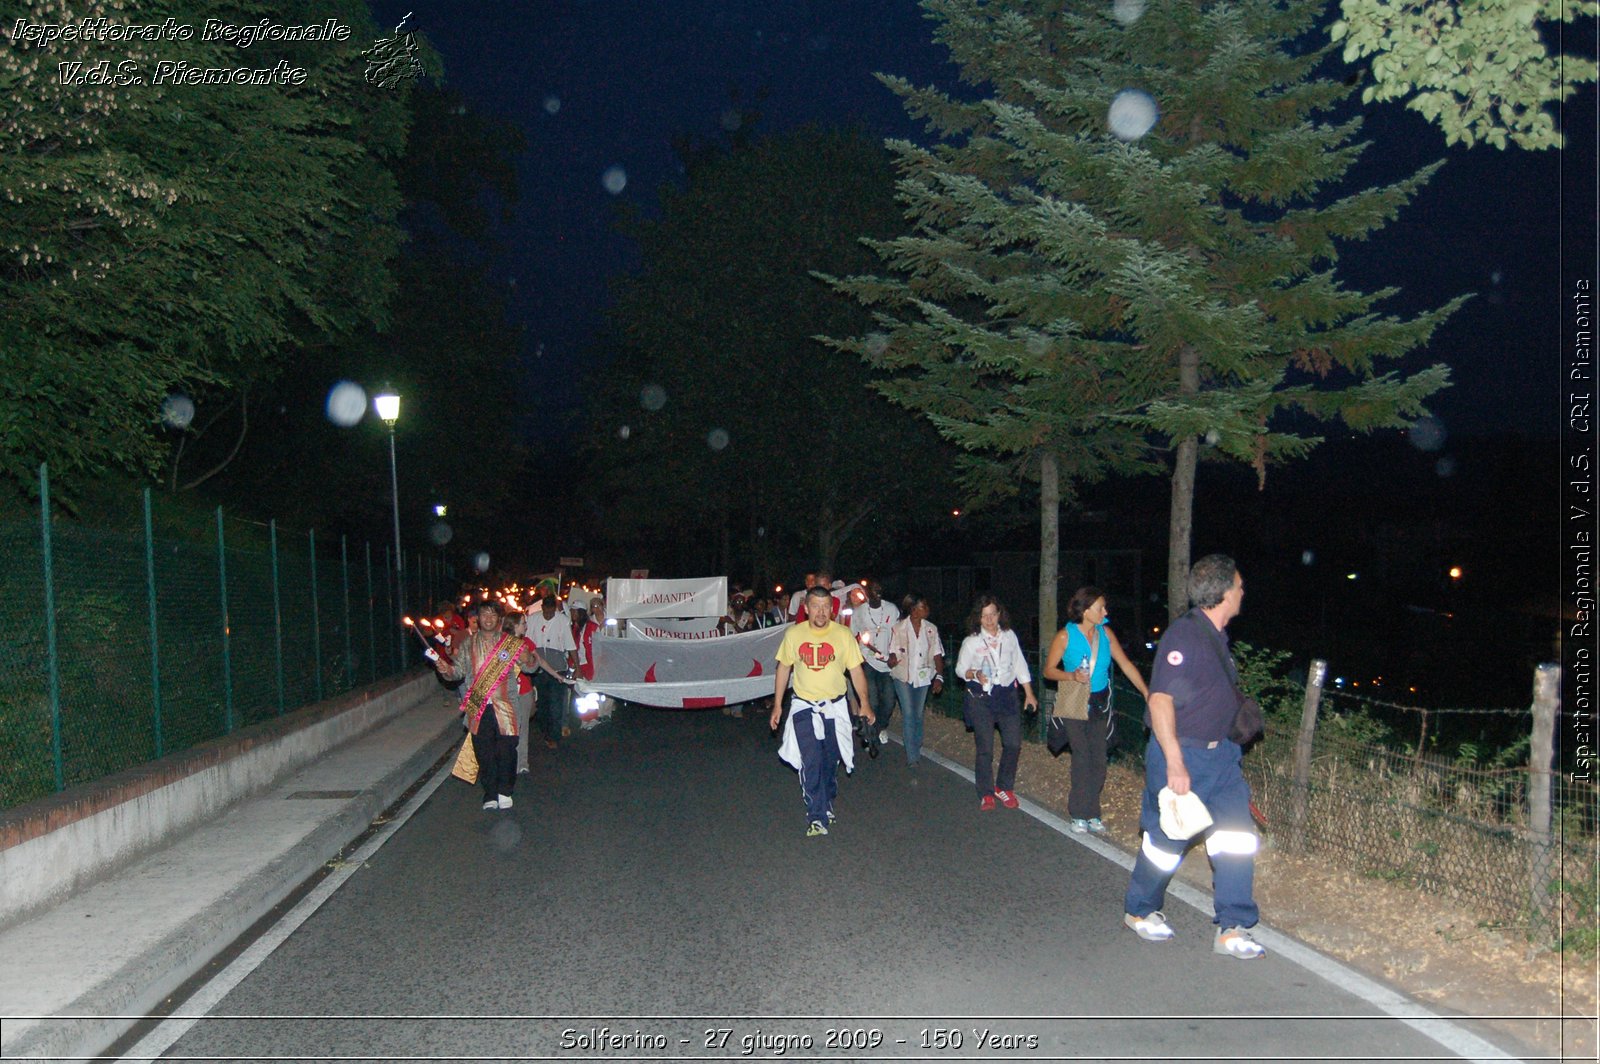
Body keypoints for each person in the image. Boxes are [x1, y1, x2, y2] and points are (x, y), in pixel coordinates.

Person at [1123, 554, 1265, 960]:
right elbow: (1161, 700)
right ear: (1222, 592)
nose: (1242, 591)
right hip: (1183, 755)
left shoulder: (1215, 637)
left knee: (1236, 838)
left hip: (1222, 758)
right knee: (1167, 841)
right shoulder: (1184, 637)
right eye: (1238, 584)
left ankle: (1232, 925)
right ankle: (1140, 910)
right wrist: (1174, 762)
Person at [1043, 587, 1150, 834]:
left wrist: (1146, 691)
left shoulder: (1106, 634)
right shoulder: (1065, 636)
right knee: (1081, 756)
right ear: (1086, 610)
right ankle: (1079, 813)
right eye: (1100, 607)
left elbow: (1125, 664)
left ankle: (1092, 813)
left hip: (1100, 700)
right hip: (1073, 698)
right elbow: (1048, 670)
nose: (1105, 611)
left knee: (1099, 760)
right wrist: (1071, 675)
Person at [770, 584, 874, 837]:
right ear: (806, 609)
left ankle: (826, 803)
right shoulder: (794, 635)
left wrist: (865, 703)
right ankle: (816, 815)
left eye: (825, 606)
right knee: (811, 760)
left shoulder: (843, 635)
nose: (821, 611)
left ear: (832, 608)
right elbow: (783, 668)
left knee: (830, 761)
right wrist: (777, 705)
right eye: (815, 606)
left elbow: (856, 671)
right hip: (804, 706)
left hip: (834, 707)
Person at [431, 601, 543, 810]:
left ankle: (505, 790)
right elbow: (457, 673)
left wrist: (530, 659)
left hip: (506, 705)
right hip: (478, 703)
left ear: (499, 619)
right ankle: (490, 793)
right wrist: (445, 669)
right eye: (484, 615)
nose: (488, 619)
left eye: (492, 615)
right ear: (477, 619)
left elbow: (530, 668)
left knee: (508, 750)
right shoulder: (468, 644)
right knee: (484, 752)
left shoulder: (511, 643)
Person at [954, 593, 1038, 811]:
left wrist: (1029, 693)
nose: (989, 620)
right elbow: (960, 669)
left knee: (1013, 743)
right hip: (981, 698)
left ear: (1000, 614)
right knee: (985, 748)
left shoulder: (1009, 636)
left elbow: (1019, 664)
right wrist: (975, 673)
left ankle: (1004, 786)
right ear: (978, 618)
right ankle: (986, 792)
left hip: (1007, 695)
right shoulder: (972, 641)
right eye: (984, 616)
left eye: (993, 614)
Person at [885, 592, 944, 767]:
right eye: (923, 606)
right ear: (913, 610)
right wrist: (892, 659)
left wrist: (939, 677)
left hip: (924, 677)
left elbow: (937, 653)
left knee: (918, 714)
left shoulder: (931, 629)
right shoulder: (898, 628)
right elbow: (892, 653)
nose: (927, 609)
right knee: (909, 713)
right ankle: (912, 756)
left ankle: (915, 745)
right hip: (903, 676)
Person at [849, 580, 900, 748]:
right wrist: (857, 656)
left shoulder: (892, 609)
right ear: (867, 592)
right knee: (873, 700)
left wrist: (894, 653)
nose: (877, 591)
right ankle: (871, 734)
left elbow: (898, 634)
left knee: (889, 700)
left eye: (879, 588)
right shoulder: (860, 612)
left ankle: (878, 728)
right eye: (873, 589)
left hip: (887, 661)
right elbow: (851, 635)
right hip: (868, 659)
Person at [526, 593, 579, 747]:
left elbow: (570, 645)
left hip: (558, 668)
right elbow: (528, 643)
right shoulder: (533, 619)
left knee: (556, 703)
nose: (548, 615)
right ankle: (545, 730)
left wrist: (577, 666)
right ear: (542, 608)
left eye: (551, 612)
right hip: (539, 670)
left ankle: (553, 736)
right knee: (543, 703)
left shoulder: (563, 620)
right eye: (546, 612)